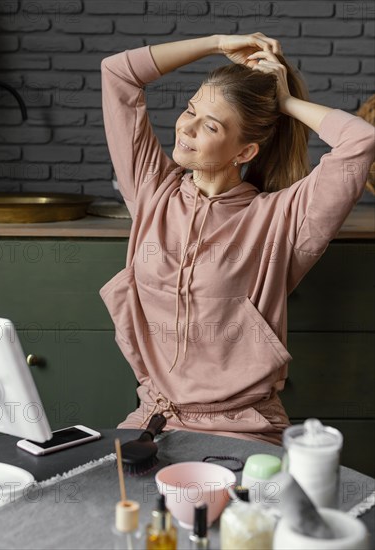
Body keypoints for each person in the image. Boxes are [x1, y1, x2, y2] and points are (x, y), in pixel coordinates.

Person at [100, 33, 375, 445]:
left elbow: (361, 140)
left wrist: (285, 102)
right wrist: (215, 43)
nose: (186, 128)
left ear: (244, 152)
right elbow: (118, 72)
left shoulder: (280, 219)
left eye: (209, 125)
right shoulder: (151, 191)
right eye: (190, 110)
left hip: (242, 428)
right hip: (154, 418)